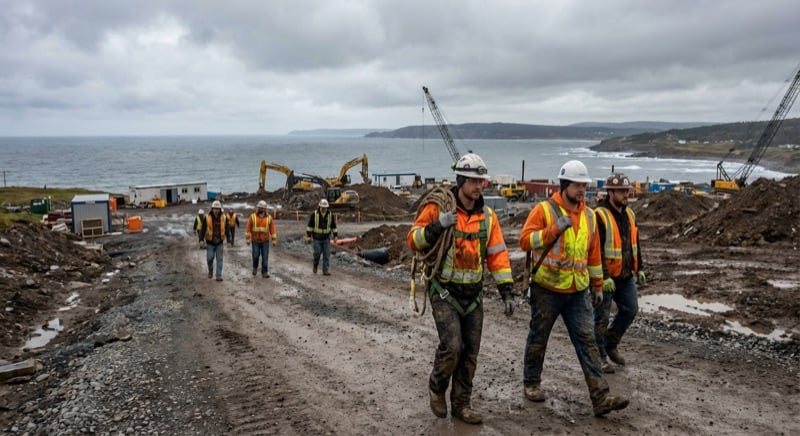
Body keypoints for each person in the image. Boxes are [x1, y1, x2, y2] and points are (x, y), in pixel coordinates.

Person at [406, 153, 515, 425]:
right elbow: (413, 241)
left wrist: (507, 291)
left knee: (470, 354)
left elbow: (497, 255)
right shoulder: (438, 209)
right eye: (474, 181)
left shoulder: (488, 217)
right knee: (453, 346)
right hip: (444, 291)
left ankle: (462, 405)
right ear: (462, 181)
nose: (480, 186)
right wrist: (437, 226)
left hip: (473, 296)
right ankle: (437, 385)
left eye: (482, 181)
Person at [520, 160, 629, 417]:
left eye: (584, 185)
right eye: (578, 185)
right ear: (565, 185)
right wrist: (552, 230)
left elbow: (593, 255)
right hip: (547, 288)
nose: (582, 190)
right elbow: (525, 241)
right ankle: (531, 382)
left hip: (577, 291)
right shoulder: (544, 210)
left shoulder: (590, 216)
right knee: (538, 337)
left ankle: (601, 397)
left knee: (588, 341)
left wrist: (598, 286)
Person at [593, 173, 645, 373]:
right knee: (601, 318)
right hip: (605, 277)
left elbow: (635, 243)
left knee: (630, 309)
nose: (626, 195)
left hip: (624, 276)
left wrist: (640, 267)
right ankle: (599, 357)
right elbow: (596, 250)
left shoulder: (630, 214)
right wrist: (604, 277)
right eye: (622, 191)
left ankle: (610, 343)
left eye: (627, 191)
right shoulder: (600, 215)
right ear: (610, 192)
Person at [305, 199, 338, 275]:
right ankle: (315, 265)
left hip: (326, 238)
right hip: (316, 238)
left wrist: (335, 235)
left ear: (327, 207)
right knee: (317, 254)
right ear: (319, 206)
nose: (323, 209)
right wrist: (309, 236)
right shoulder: (314, 214)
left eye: (325, 207)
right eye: (322, 207)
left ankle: (325, 270)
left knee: (326, 254)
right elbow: (310, 226)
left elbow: (334, 226)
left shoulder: (330, 215)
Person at [245, 200, 277, 278]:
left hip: (265, 241)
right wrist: (248, 238)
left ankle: (264, 272)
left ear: (265, 209)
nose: (262, 209)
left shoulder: (269, 218)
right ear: (258, 208)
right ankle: (255, 267)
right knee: (255, 256)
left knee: (265, 257)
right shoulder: (252, 217)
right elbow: (248, 228)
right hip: (255, 241)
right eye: (260, 208)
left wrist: (273, 240)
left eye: (263, 208)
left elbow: (272, 229)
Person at [201, 200, 227, 281]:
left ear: (220, 209)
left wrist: (229, 239)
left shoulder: (223, 217)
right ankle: (210, 270)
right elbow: (203, 229)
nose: (216, 210)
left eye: (218, 209)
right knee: (210, 258)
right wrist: (201, 239)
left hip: (219, 242)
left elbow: (227, 228)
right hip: (210, 242)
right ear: (212, 209)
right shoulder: (207, 217)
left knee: (219, 259)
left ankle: (218, 275)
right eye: (215, 209)